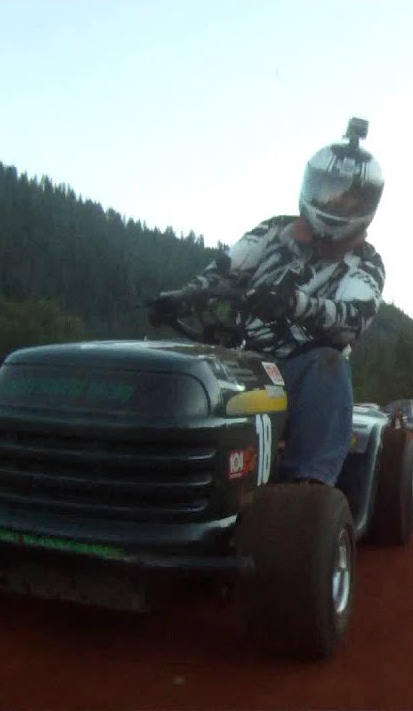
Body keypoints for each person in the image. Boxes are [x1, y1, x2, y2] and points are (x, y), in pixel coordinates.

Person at [149, 118, 386, 488]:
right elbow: (223, 271)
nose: (334, 201)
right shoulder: (273, 230)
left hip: (297, 370)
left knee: (329, 364)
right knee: (177, 369)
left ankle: (308, 488)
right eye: (328, 190)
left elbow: (353, 317)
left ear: (365, 204)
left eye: (346, 196)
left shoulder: (365, 263)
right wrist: (181, 297)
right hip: (240, 358)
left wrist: (295, 303)